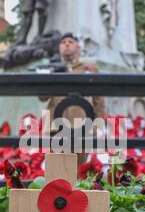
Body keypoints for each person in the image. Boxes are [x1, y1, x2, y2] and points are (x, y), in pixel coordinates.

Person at [39, 33, 105, 166]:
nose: (67, 44)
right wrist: (50, 75)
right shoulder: (52, 68)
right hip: (56, 124)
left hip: (81, 121)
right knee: (56, 167)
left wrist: (99, 122)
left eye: (71, 41)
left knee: (78, 168)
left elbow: (98, 97)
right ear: (59, 48)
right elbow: (42, 97)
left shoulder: (89, 68)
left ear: (78, 47)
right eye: (63, 42)